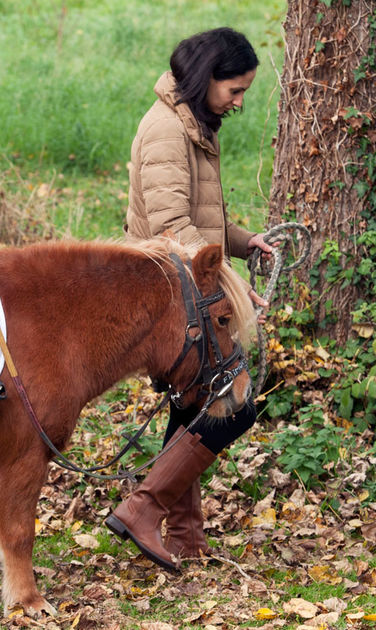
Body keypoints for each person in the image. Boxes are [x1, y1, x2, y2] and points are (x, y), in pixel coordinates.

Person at [108, 27, 275, 572]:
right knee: (233, 403)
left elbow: (200, 221)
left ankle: (183, 534)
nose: (240, 101)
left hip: (189, 280)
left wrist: (243, 242)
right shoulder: (165, 131)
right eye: (235, 89)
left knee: (197, 400)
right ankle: (145, 510)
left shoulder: (195, 125)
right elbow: (171, 226)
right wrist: (228, 280)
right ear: (207, 78)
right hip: (169, 289)